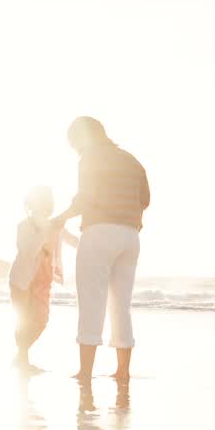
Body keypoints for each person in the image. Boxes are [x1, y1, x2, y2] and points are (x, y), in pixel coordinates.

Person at [51, 117, 150, 382]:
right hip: (130, 237)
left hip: (99, 233)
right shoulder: (132, 160)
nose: (74, 148)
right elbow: (146, 200)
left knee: (91, 303)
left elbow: (85, 198)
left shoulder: (91, 157)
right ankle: (122, 371)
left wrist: (61, 218)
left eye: (74, 141)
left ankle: (85, 372)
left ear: (84, 136)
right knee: (121, 305)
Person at [8, 185, 76, 370]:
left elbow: (74, 241)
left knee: (41, 320)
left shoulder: (56, 226)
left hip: (43, 281)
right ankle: (23, 361)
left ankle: (20, 358)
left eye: (46, 201)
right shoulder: (23, 226)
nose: (43, 206)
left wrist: (93, 244)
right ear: (31, 204)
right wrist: (44, 232)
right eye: (39, 201)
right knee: (24, 320)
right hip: (22, 280)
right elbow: (28, 251)